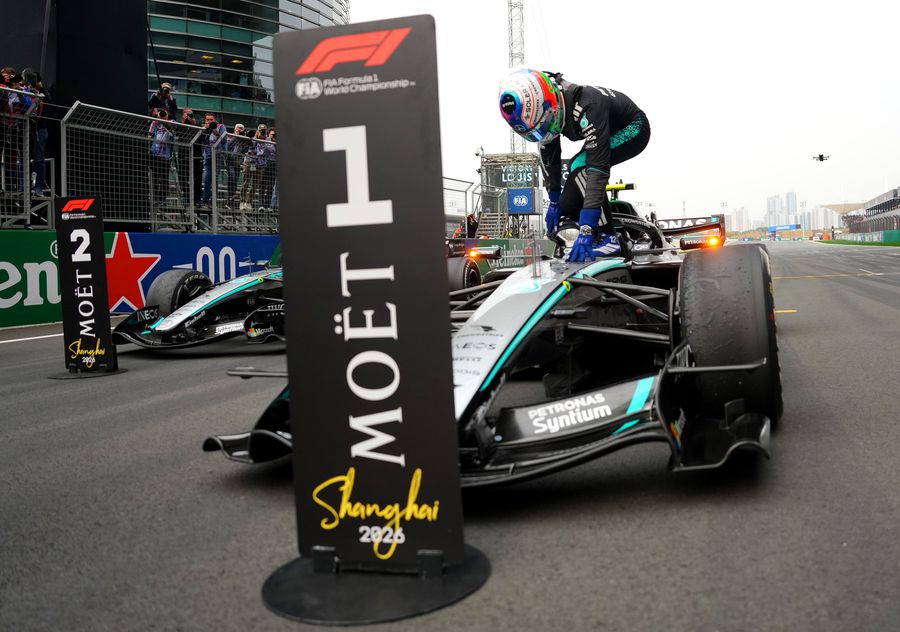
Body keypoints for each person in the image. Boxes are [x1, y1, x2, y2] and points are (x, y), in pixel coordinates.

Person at [499, 68, 650, 261]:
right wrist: (554, 202)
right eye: (535, 132)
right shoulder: (546, 115)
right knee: (567, 199)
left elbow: (597, 169)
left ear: (551, 105)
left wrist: (587, 228)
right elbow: (551, 162)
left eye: (542, 127)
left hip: (633, 128)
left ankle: (609, 238)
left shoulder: (588, 106)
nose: (543, 134)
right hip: (605, 129)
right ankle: (591, 231)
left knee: (579, 167)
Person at [200, 112, 227, 207]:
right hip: (207, 156)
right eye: (208, 120)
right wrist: (205, 129)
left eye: (211, 120)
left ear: (215, 120)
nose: (209, 121)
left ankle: (212, 200)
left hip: (218, 155)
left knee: (214, 178)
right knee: (207, 177)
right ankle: (205, 199)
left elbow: (224, 140)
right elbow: (201, 140)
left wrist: (215, 130)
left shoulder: (221, 126)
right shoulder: (204, 127)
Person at [148, 108, 174, 206]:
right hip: (155, 154)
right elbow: (149, 134)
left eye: (164, 114)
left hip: (165, 155)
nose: (163, 116)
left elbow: (171, 133)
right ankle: (155, 198)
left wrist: (163, 121)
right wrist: (156, 121)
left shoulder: (171, 122)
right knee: (155, 178)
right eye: (161, 114)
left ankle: (162, 199)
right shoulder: (155, 123)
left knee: (164, 178)